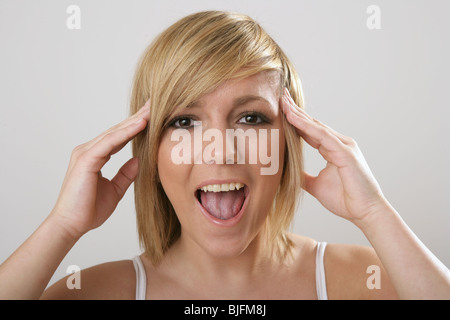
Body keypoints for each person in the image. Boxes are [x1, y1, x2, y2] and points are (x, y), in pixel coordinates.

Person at [0, 10, 449, 300]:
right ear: (149, 149)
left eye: (251, 119)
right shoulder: (94, 292)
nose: (220, 148)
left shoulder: (366, 281)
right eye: (183, 122)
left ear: (290, 141)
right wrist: (61, 227)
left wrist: (375, 213)